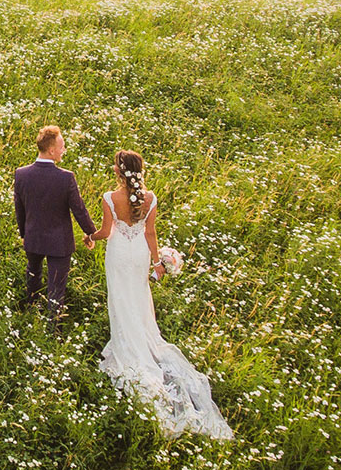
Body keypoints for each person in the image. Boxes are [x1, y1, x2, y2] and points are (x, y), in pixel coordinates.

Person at [86, 150, 232, 439]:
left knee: (120, 299)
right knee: (139, 299)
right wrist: (156, 261)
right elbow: (150, 233)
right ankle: (143, 338)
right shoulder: (149, 198)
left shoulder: (109, 198)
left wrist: (90, 236)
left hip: (118, 255)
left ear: (120, 171)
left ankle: (126, 344)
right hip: (139, 253)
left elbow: (106, 231)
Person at [12, 125, 96, 321]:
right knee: (56, 289)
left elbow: (20, 209)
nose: (63, 150)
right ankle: (54, 330)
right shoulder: (66, 178)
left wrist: (24, 234)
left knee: (33, 276)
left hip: (33, 238)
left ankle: (30, 316)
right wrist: (90, 233)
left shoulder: (21, 174)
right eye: (62, 146)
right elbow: (79, 210)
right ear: (51, 150)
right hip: (59, 242)